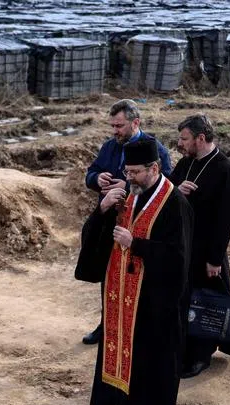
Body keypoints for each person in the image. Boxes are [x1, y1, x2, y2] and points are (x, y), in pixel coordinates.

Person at [77, 137, 192, 405]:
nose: (130, 178)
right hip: (119, 291)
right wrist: (102, 209)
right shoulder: (129, 194)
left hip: (153, 301)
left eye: (136, 173)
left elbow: (179, 258)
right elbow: (98, 239)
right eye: (127, 172)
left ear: (154, 168)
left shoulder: (174, 203)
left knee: (145, 358)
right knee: (115, 346)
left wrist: (137, 244)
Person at [77, 99, 173, 346]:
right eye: (113, 126)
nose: (115, 131)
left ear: (135, 123)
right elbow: (90, 173)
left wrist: (128, 185)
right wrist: (98, 179)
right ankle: (106, 324)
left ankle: (135, 328)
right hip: (110, 220)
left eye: (119, 126)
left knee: (136, 279)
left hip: (140, 224)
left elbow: (165, 184)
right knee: (109, 274)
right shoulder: (110, 146)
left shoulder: (156, 150)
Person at [168, 114, 230, 378]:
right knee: (185, 300)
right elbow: (167, 187)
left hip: (207, 252)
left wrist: (214, 259)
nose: (180, 143)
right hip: (184, 246)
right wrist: (177, 189)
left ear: (201, 139)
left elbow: (225, 221)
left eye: (184, 138)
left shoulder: (227, 171)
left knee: (205, 303)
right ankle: (185, 351)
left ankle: (201, 356)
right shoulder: (187, 162)